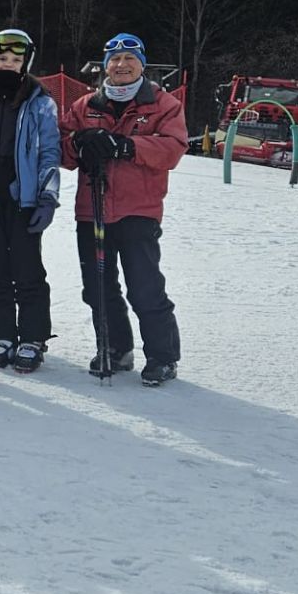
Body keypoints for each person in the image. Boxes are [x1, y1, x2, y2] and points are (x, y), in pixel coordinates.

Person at [62, 32, 188, 386]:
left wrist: (125, 146)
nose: (121, 65)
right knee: (98, 287)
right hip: (93, 208)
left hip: (138, 210)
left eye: (129, 59)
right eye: (114, 59)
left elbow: (173, 148)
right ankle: (116, 348)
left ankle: (163, 356)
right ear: (105, 66)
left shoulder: (162, 105)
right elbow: (62, 148)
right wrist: (79, 143)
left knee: (144, 286)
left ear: (141, 64)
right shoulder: (86, 105)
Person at [0, 28, 59, 374]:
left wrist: (47, 197)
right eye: (2, 59)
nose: (8, 65)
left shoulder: (39, 102)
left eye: (16, 60)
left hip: (24, 197)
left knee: (26, 268)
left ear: (25, 64)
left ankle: (33, 337)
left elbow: (49, 152)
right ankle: (0, 334)